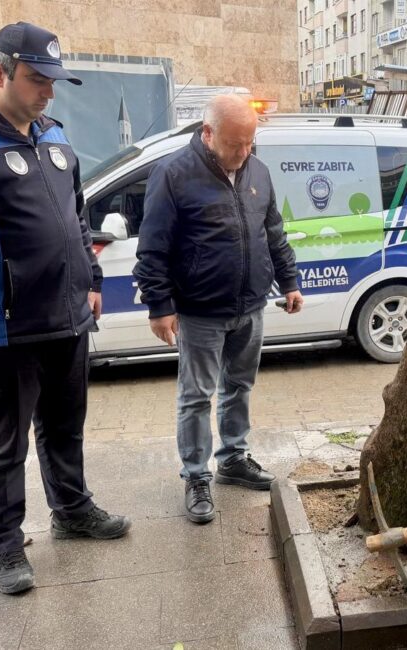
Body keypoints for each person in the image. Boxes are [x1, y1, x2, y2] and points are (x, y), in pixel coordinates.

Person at [0, 22, 131, 595]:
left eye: (54, 81)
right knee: (4, 444)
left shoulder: (55, 137)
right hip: (2, 331)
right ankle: (4, 544)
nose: (49, 92)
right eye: (37, 80)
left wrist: (91, 282)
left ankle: (73, 510)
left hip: (66, 320)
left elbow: (77, 221)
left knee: (65, 428)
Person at [134, 94, 303, 525]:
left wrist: (289, 282)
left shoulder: (258, 172)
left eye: (250, 143)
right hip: (200, 311)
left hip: (251, 305)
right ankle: (195, 476)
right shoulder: (172, 175)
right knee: (195, 397)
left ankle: (232, 459)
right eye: (234, 144)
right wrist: (160, 305)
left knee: (239, 387)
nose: (243, 153)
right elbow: (153, 247)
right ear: (207, 134)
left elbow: (273, 232)